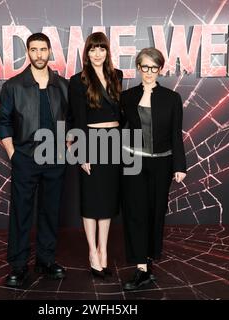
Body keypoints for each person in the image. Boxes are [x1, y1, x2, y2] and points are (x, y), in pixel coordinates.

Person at [0, 33, 70, 287]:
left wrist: (67, 146)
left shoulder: (63, 85)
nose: (39, 54)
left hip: (55, 158)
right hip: (25, 157)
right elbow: (3, 122)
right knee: (21, 212)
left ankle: (46, 260)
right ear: (28, 52)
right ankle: (18, 265)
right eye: (34, 49)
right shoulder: (13, 86)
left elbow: (71, 121)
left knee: (50, 212)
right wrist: (13, 154)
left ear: (50, 52)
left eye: (43, 49)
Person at [120, 47, 187, 290]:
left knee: (155, 213)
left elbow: (175, 134)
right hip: (134, 162)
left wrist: (180, 165)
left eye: (153, 68)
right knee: (135, 213)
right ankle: (141, 269)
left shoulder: (172, 98)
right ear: (138, 68)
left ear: (160, 69)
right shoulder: (126, 97)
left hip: (162, 163)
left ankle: (149, 261)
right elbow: (117, 129)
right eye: (144, 67)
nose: (149, 72)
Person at [69, 32, 123, 278]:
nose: (97, 54)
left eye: (102, 49)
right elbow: (77, 117)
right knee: (91, 200)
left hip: (114, 143)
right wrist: (80, 152)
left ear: (107, 52)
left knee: (108, 201)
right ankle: (92, 251)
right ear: (87, 53)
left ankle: (103, 250)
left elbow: (122, 114)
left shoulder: (117, 75)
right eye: (93, 49)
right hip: (91, 142)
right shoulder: (77, 80)